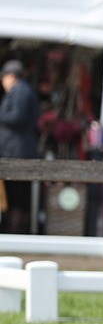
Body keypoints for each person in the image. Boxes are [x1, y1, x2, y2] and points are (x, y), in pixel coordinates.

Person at [0, 59, 40, 234]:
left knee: (17, 194)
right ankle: (14, 228)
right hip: (15, 149)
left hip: (17, 151)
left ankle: (15, 229)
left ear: (11, 76)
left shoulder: (21, 91)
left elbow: (18, 117)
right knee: (16, 194)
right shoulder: (21, 91)